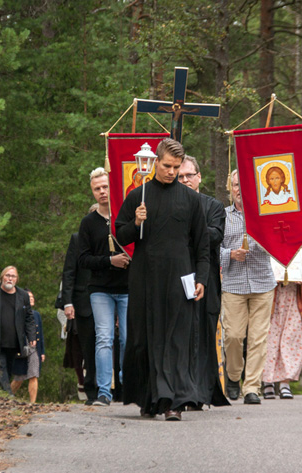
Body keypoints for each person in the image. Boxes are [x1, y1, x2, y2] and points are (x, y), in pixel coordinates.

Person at [115, 138, 211, 421]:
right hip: (145, 277)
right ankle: (148, 398)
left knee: (175, 340)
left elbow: (202, 244)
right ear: (156, 162)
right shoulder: (138, 196)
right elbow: (120, 236)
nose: (172, 172)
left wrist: (202, 278)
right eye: (167, 166)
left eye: (177, 167)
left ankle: (173, 402)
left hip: (180, 276)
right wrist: (136, 223)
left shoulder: (191, 199)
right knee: (145, 339)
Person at [177, 155, 230, 409]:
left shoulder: (214, 206)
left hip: (205, 280)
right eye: (180, 176)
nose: (185, 180)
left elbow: (215, 236)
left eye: (189, 175)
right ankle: (181, 391)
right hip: (176, 279)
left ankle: (201, 393)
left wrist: (188, 230)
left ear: (199, 177)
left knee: (204, 336)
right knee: (181, 335)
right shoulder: (170, 204)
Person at [220, 170, 277, 405]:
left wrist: (265, 242)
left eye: (243, 185)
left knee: (258, 338)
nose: (239, 190)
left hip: (263, 282)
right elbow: (212, 247)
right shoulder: (221, 216)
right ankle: (233, 377)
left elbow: (278, 243)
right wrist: (230, 254)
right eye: (235, 185)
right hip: (233, 284)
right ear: (229, 188)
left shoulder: (265, 214)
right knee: (233, 336)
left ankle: (252, 387)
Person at [78, 168, 130, 407]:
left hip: (128, 287)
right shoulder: (88, 223)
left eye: (105, 187)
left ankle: (127, 385)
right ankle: (103, 392)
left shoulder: (125, 218)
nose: (102, 192)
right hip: (100, 289)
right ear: (92, 191)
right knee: (104, 338)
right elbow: (83, 259)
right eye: (97, 188)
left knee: (129, 338)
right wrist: (110, 261)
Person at [262, 245, 302, 400]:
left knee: (291, 339)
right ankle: (268, 382)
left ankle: (285, 384)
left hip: (294, 299)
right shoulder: (268, 244)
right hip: (271, 299)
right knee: (269, 339)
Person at [61, 203, 98, 404]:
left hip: (107, 298)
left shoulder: (113, 238)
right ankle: (88, 386)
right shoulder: (77, 240)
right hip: (82, 302)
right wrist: (67, 302)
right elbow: (69, 273)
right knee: (85, 346)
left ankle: (111, 387)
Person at [0, 266, 36, 394]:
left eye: (13, 276)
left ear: (17, 279)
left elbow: (29, 317)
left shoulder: (23, 295)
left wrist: (32, 336)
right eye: (7, 275)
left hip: (14, 341)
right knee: (0, 367)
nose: (10, 278)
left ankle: (1, 396)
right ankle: (9, 398)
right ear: (2, 277)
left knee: (6, 371)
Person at [11, 289, 46, 403]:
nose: (31, 299)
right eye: (28, 297)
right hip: (20, 349)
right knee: (19, 378)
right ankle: (8, 398)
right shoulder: (16, 313)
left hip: (34, 349)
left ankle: (32, 403)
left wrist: (42, 352)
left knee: (33, 375)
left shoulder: (36, 315)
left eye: (32, 297)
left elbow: (40, 334)